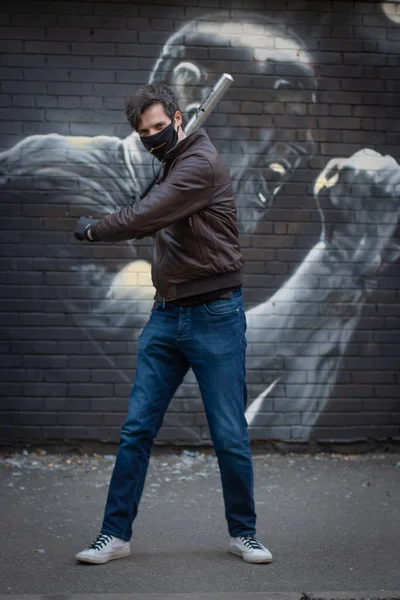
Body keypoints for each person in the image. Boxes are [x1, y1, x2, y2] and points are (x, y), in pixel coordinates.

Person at [73, 83, 272, 565]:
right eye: (145, 132)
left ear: (180, 119)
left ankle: (243, 533)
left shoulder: (198, 165)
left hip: (215, 315)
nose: (153, 136)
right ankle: (114, 535)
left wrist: (94, 228)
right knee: (136, 430)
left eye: (161, 127)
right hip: (166, 315)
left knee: (228, 433)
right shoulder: (171, 164)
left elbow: (144, 217)